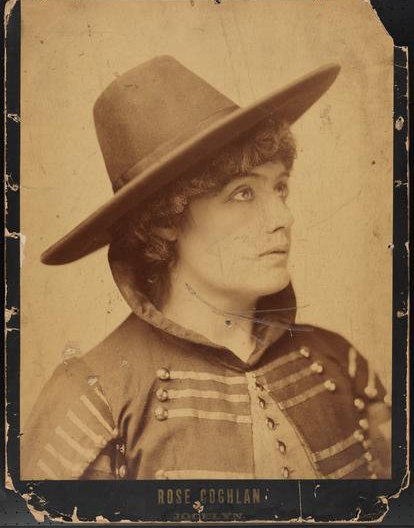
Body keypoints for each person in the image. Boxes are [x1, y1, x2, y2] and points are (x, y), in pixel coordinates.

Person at [21, 56, 391, 481]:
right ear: (164, 220)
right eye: (243, 193)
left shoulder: (336, 362)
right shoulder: (95, 401)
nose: (283, 218)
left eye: (280, 187)